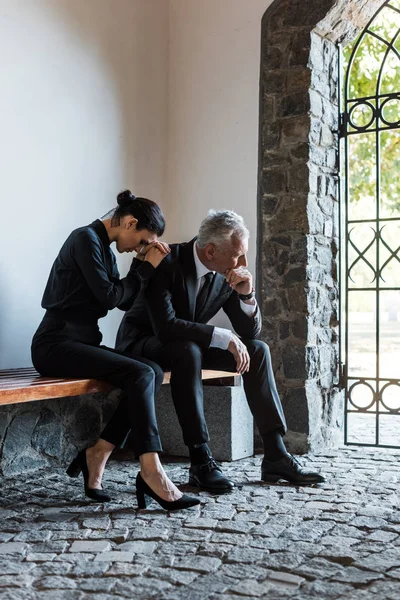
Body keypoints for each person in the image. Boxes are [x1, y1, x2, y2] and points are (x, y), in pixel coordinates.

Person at [115, 209, 325, 492]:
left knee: (258, 350)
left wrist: (247, 294)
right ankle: (200, 460)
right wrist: (221, 335)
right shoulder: (167, 261)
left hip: (184, 345)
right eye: (237, 255)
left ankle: (276, 455)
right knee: (188, 351)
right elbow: (165, 328)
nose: (242, 263)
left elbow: (251, 333)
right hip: (142, 343)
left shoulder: (224, 274)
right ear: (211, 250)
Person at [31, 190, 200, 511]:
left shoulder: (105, 250)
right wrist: (144, 267)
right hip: (55, 343)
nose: (138, 248)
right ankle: (152, 471)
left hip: (81, 344)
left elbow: (121, 300)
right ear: (130, 222)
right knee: (139, 371)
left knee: (149, 370)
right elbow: (110, 297)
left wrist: (141, 264)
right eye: (141, 240)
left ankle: (99, 451)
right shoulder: (84, 240)